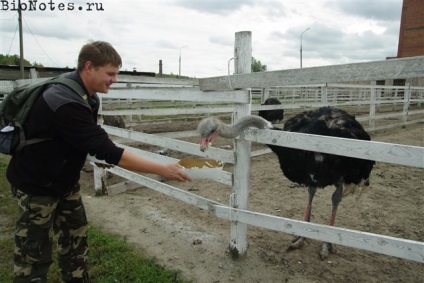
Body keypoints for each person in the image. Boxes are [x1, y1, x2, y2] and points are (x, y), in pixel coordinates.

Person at [6, 41, 191, 283]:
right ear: (89, 67)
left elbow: (78, 139)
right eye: (110, 73)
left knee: (76, 243)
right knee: (33, 257)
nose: (114, 80)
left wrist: (93, 154)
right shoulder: (65, 101)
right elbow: (109, 151)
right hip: (37, 186)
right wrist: (162, 169)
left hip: (65, 182)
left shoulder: (87, 97)